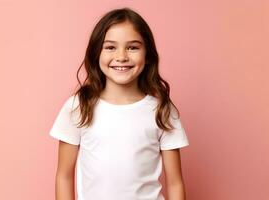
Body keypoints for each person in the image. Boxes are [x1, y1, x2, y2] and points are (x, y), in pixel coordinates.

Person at [49, 7, 189, 200]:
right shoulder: (78, 106)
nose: (121, 56)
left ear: (147, 55)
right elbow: (64, 176)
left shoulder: (162, 110)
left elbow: (175, 183)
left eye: (132, 47)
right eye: (110, 47)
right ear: (96, 53)